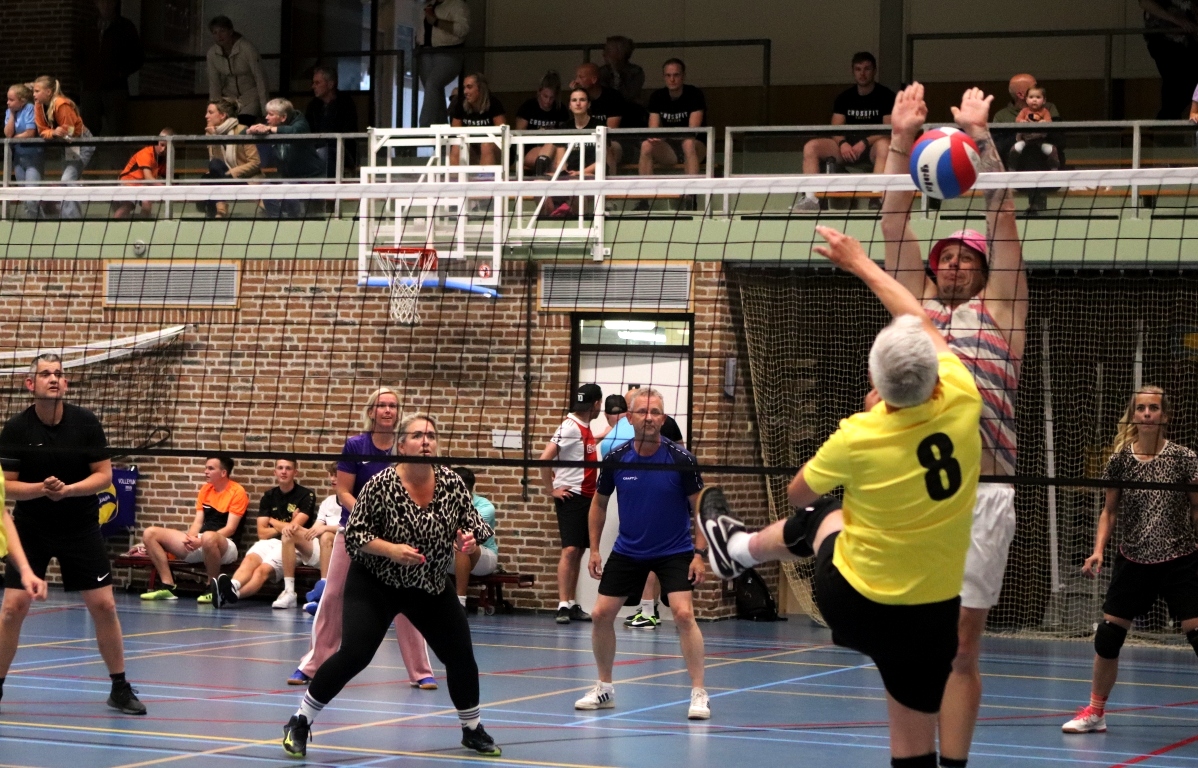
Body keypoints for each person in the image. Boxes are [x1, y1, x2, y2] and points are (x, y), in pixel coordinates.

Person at [699, 224, 982, 766]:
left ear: (878, 383)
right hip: (930, 614)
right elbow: (918, 318)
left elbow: (796, 492)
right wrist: (862, 264)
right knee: (914, 753)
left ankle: (736, 550)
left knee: (821, 510)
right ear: (933, 376)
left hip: (856, 602)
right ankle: (734, 551)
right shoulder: (964, 396)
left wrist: (871, 417)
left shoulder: (860, 434)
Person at [879, 83, 1028, 767]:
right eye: (946, 256)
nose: (956, 263)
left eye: (968, 256)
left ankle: (955, 764)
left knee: (963, 644)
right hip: (918, 492)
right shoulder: (916, 315)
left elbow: (1002, 214)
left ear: (983, 268)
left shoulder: (1003, 313)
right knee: (914, 641)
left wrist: (980, 136)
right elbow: (892, 222)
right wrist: (901, 138)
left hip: (984, 493)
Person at [281, 414, 501, 759]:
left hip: (428, 584)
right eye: (417, 435)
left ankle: (472, 729)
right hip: (376, 582)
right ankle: (300, 721)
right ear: (402, 445)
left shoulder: (452, 483)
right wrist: (392, 550)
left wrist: (468, 542)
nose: (426, 441)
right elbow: (356, 535)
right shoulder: (381, 484)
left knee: (461, 656)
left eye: (431, 435)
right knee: (355, 654)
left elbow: (473, 529)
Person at [0, 354, 146, 715]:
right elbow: (6, 488)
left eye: (59, 374)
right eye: (45, 374)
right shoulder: (16, 429)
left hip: (80, 526)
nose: (54, 378)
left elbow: (104, 476)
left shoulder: (85, 423)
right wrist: (41, 489)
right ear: (30, 384)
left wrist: (68, 490)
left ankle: (119, 687)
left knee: (104, 606)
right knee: (12, 609)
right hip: (31, 527)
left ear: (65, 384)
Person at [1061, 386, 1198, 734]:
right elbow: (1109, 511)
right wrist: (1098, 550)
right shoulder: (1120, 459)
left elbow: (1197, 508)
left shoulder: (1184, 458)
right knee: (1108, 637)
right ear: (1134, 415)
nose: (1147, 413)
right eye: (1141, 408)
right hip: (1134, 558)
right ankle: (1095, 712)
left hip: (1180, 557)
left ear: (1165, 416)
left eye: (1154, 408)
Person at [574, 387, 711, 720]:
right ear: (629, 417)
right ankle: (604, 687)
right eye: (642, 412)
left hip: (675, 550)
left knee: (683, 614)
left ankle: (699, 693)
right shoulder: (616, 457)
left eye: (655, 412)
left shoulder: (681, 460)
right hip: (629, 549)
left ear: (663, 419)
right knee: (600, 614)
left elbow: (701, 509)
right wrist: (594, 549)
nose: (648, 418)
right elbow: (599, 504)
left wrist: (699, 554)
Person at [287, 387, 437, 690]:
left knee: (409, 599)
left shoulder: (405, 446)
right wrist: (368, 513)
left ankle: (421, 671)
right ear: (371, 412)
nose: (388, 410)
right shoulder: (356, 445)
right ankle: (312, 665)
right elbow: (343, 491)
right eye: (382, 405)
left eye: (393, 406)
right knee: (333, 596)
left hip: (397, 536)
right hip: (355, 531)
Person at [792, 52, 894, 213]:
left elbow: (888, 129)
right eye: (858, 69)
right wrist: (842, 143)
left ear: (874, 71)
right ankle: (812, 199)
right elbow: (836, 128)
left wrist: (864, 142)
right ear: (853, 71)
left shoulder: (886, 96)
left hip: (872, 148)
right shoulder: (844, 98)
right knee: (811, 147)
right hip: (847, 149)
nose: (862, 73)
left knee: (885, 146)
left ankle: (877, 197)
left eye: (867, 69)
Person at [139, 456, 248, 604]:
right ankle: (168, 586)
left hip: (226, 545)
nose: (206, 471)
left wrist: (201, 541)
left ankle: (212, 588)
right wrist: (190, 539)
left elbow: (230, 528)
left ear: (223, 473)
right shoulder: (205, 489)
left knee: (209, 537)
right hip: (201, 540)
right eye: (206, 468)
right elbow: (198, 522)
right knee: (150, 533)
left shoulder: (237, 491)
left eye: (211, 468)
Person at [211, 458, 317, 610]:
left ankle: (231, 595)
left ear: (295, 472)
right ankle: (232, 585)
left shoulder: (306, 495)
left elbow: (293, 529)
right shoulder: (269, 496)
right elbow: (262, 533)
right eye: (280, 468)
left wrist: (272, 521)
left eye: (288, 468)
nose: (284, 472)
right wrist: (284, 525)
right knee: (249, 561)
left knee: (262, 570)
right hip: (270, 542)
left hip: (293, 545)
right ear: (275, 472)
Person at [540, 383, 603, 623]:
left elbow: (584, 448)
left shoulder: (584, 427)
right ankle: (563, 605)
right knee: (570, 550)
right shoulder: (569, 427)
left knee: (578, 551)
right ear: (596, 404)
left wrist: (610, 430)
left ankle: (572, 603)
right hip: (572, 496)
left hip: (587, 495)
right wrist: (551, 490)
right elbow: (545, 458)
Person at [247, 98, 324, 218]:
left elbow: (293, 131)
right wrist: (252, 130)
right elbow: (243, 133)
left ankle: (293, 221)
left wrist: (269, 129)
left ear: (283, 117)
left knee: (288, 190)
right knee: (266, 187)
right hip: (288, 177)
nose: (266, 117)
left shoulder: (301, 124)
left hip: (310, 176)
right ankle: (276, 220)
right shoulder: (273, 127)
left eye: (271, 114)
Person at [31, 76, 94, 220]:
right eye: (33, 91)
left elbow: (71, 131)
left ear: (48, 92)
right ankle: (68, 216)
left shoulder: (61, 104)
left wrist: (61, 132)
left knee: (67, 179)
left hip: (80, 142)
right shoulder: (39, 105)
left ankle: (71, 218)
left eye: (37, 91)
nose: (34, 94)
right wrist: (53, 132)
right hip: (65, 145)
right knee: (67, 180)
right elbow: (42, 130)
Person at [79, 0, 143, 140]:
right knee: (88, 130)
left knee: (117, 130)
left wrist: (120, 73)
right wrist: (85, 75)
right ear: (96, 4)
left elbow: (137, 57)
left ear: (114, 4)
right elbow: (78, 54)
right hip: (91, 87)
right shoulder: (88, 26)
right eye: (102, 2)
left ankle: (117, 155)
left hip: (115, 88)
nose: (106, 6)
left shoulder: (125, 27)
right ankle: (89, 154)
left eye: (109, 2)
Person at [640, 59, 707, 185]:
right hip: (670, 148)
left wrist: (665, 136)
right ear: (663, 77)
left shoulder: (694, 94)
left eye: (676, 75)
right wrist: (657, 138)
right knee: (646, 145)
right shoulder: (657, 96)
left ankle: (690, 193)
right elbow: (653, 130)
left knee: (688, 143)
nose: (672, 79)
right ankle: (645, 194)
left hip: (695, 146)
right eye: (668, 75)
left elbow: (692, 131)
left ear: (683, 76)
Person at [203, 98, 261, 219]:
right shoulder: (211, 133)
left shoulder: (242, 131)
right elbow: (215, 161)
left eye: (210, 112)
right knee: (208, 175)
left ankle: (221, 211)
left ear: (223, 115)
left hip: (245, 177)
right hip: (223, 176)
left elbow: (255, 162)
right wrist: (213, 137)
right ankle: (219, 211)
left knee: (213, 173)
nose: (206, 116)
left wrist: (231, 173)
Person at [416, 0, 470, 127]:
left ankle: (425, 126)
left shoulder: (457, 5)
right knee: (433, 89)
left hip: (449, 52)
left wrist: (436, 21)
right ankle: (440, 128)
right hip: (426, 51)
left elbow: (463, 30)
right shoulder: (425, 5)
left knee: (432, 84)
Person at [206, 15, 270, 124]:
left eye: (222, 31)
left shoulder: (247, 48)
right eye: (215, 32)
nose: (219, 36)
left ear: (231, 31)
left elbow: (261, 80)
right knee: (225, 125)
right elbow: (214, 85)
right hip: (229, 99)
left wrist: (265, 112)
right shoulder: (212, 54)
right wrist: (213, 112)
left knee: (243, 122)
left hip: (251, 97)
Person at [1140, 0, 1198, 119]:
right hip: (1164, 38)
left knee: (1185, 82)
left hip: (1187, 40)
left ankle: (1166, 120)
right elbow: (1145, 2)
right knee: (1174, 81)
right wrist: (1177, 20)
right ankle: (1166, 121)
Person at [451, 467, 498, 607]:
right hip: (449, 551)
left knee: (464, 544)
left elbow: (466, 532)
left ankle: (460, 603)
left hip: (483, 557)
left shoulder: (485, 507)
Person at [301, 463, 343, 614]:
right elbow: (316, 527)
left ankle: (322, 591)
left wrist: (326, 528)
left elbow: (351, 527)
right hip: (324, 550)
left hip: (345, 548)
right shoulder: (327, 502)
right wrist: (295, 527)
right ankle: (289, 591)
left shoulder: (354, 500)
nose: (333, 479)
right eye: (331, 475)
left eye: (336, 475)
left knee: (326, 536)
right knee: (291, 533)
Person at [305, 66, 359, 178]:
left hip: (342, 150)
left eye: (317, 83)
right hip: (317, 150)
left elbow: (348, 132)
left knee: (324, 153)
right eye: (313, 83)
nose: (313, 86)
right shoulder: (313, 106)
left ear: (330, 84)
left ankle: (326, 186)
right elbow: (308, 130)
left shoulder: (346, 103)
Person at [448, 73, 506, 168]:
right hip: (470, 145)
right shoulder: (460, 104)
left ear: (480, 88)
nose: (465, 91)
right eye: (464, 88)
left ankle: (485, 177)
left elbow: (501, 131)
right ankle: (454, 177)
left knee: (486, 146)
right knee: (456, 147)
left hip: (492, 146)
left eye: (469, 87)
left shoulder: (494, 103)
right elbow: (455, 132)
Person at [113, 129, 172, 219]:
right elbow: (148, 178)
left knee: (147, 202)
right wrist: (166, 188)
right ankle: (114, 223)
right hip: (128, 182)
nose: (163, 149)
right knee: (128, 206)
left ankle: (143, 224)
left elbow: (168, 177)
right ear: (157, 141)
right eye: (162, 145)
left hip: (142, 185)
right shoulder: (146, 153)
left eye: (167, 148)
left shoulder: (163, 160)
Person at [516, 70, 567, 176]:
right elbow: (519, 134)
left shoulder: (560, 109)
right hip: (529, 149)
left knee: (555, 150)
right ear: (539, 92)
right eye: (545, 96)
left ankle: (544, 176)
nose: (548, 101)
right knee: (554, 159)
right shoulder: (528, 107)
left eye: (551, 98)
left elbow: (565, 135)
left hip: (555, 150)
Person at [5, 84, 43, 220]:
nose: (8, 103)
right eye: (8, 99)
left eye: (11, 100)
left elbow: (30, 133)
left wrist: (14, 138)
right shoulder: (9, 112)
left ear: (22, 101)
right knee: (24, 197)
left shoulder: (29, 109)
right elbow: (8, 134)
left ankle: (39, 223)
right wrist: (12, 115)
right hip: (18, 158)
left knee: (31, 196)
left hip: (33, 157)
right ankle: (32, 222)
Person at [1009, 87, 1060, 177]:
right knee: (1014, 149)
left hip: (1040, 141)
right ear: (1026, 100)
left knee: (1052, 150)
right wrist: (1022, 121)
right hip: (1025, 140)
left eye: (1038, 97)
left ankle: (1054, 168)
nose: (1034, 100)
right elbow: (1017, 120)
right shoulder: (1024, 111)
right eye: (1031, 97)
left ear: (1044, 101)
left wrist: (1044, 122)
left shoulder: (1045, 112)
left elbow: (1049, 122)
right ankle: (1012, 168)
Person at [598, 36, 645, 106]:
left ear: (620, 53)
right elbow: (602, 95)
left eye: (608, 51)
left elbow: (629, 96)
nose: (604, 54)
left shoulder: (635, 71)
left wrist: (615, 72)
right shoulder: (602, 71)